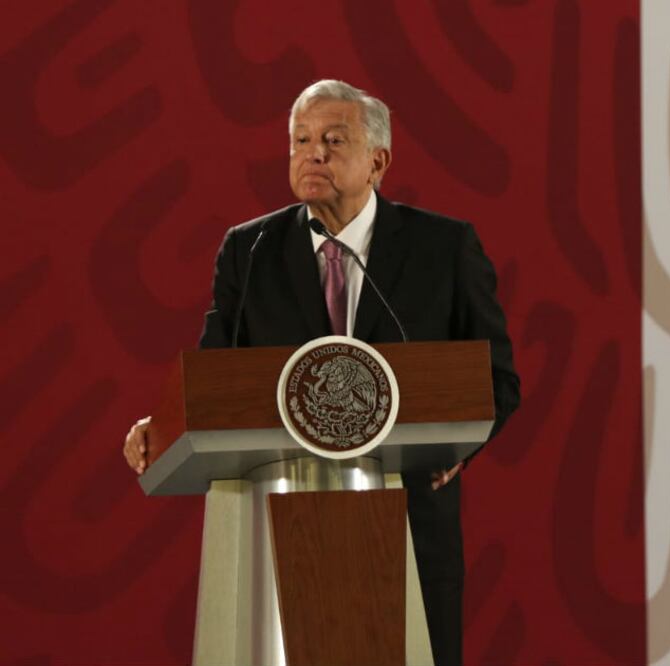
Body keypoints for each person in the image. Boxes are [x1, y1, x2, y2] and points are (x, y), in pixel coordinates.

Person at [123, 79, 520, 665]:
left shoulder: (444, 247)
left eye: (334, 141)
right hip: (277, 527)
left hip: (408, 523)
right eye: (301, 141)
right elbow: (211, 383)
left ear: (378, 161)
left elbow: (498, 379)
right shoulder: (250, 249)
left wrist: (457, 448)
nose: (313, 155)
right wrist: (157, 429)